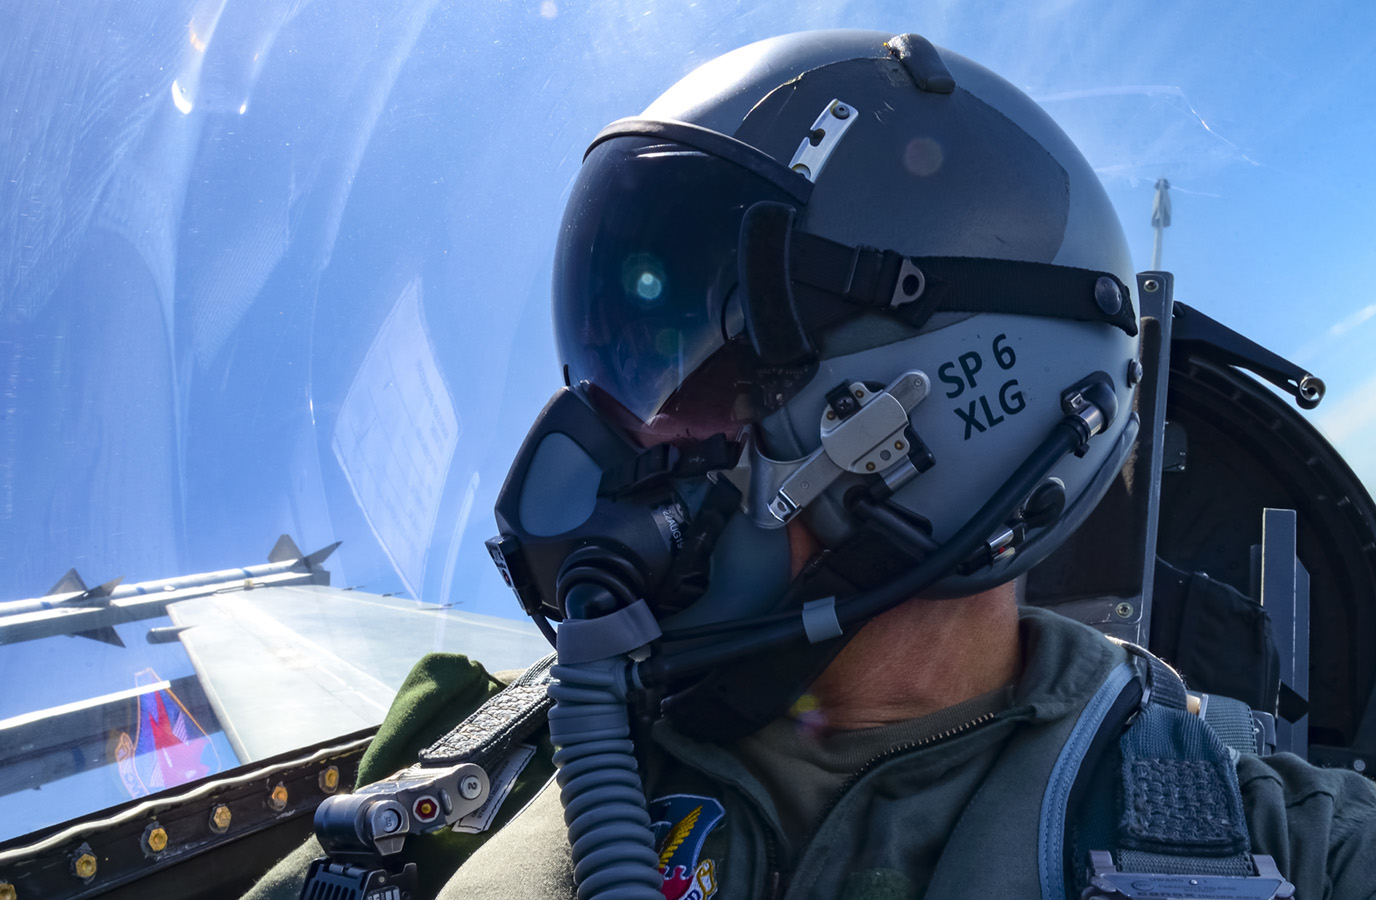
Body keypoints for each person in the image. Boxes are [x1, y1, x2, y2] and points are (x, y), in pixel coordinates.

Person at [256, 30, 1376, 900]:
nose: (613, 447)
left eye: (693, 378)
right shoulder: (461, 773)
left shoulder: (1281, 842)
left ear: (940, 413)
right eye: (617, 383)